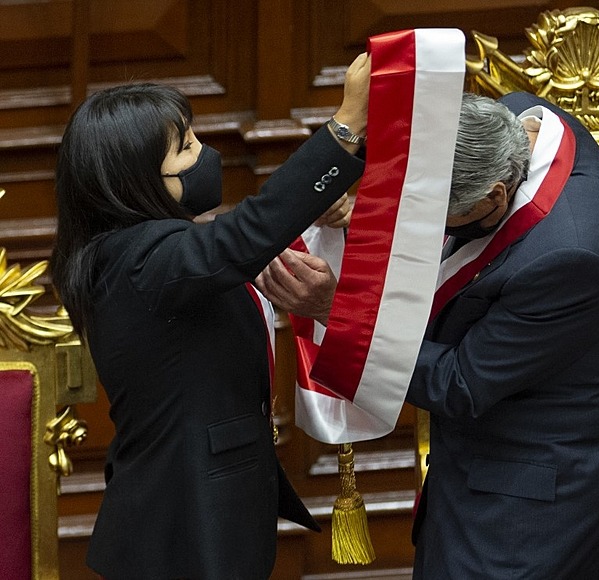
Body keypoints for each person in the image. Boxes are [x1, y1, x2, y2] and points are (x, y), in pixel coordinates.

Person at [257, 91, 599, 579]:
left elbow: (460, 383)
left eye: (436, 220)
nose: (416, 227)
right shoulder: (517, 120)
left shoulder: (571, 257)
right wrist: (356, 204)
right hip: (473, 465)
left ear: (494, 196)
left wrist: (334, 309)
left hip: (526, 515)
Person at [49, 52, 370, 579]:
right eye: (187, 148)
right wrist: (346, 129)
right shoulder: (137, 261)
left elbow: (234, 241)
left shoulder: (143, 254)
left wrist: (312, 205)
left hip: (205, 514)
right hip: (182, 526)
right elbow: (243, 236)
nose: (208, 154)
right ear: (139, 181)